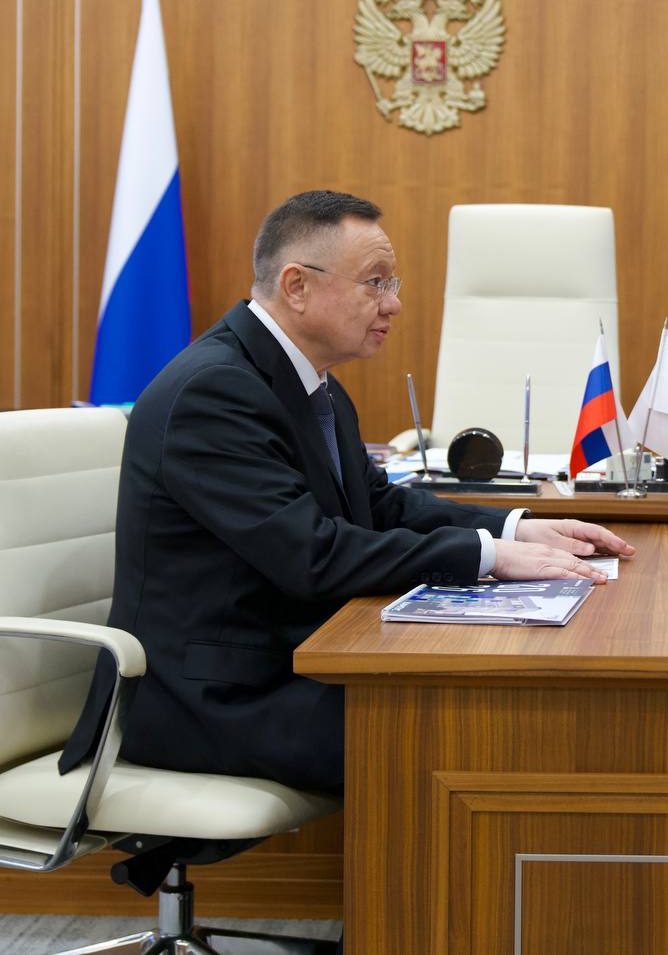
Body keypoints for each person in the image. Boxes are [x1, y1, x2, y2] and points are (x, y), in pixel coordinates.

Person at [61, 189, 633, 793]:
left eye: (392, 283)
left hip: (289, 660)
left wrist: (514, 528)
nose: (395, 303)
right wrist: (489, 557)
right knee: (464, 731)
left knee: (483, 708)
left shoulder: (314, 384)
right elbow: (313, 554)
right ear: (297, 286)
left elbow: (377, 505)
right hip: (209, 699)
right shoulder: (214, 393)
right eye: (376, 283)